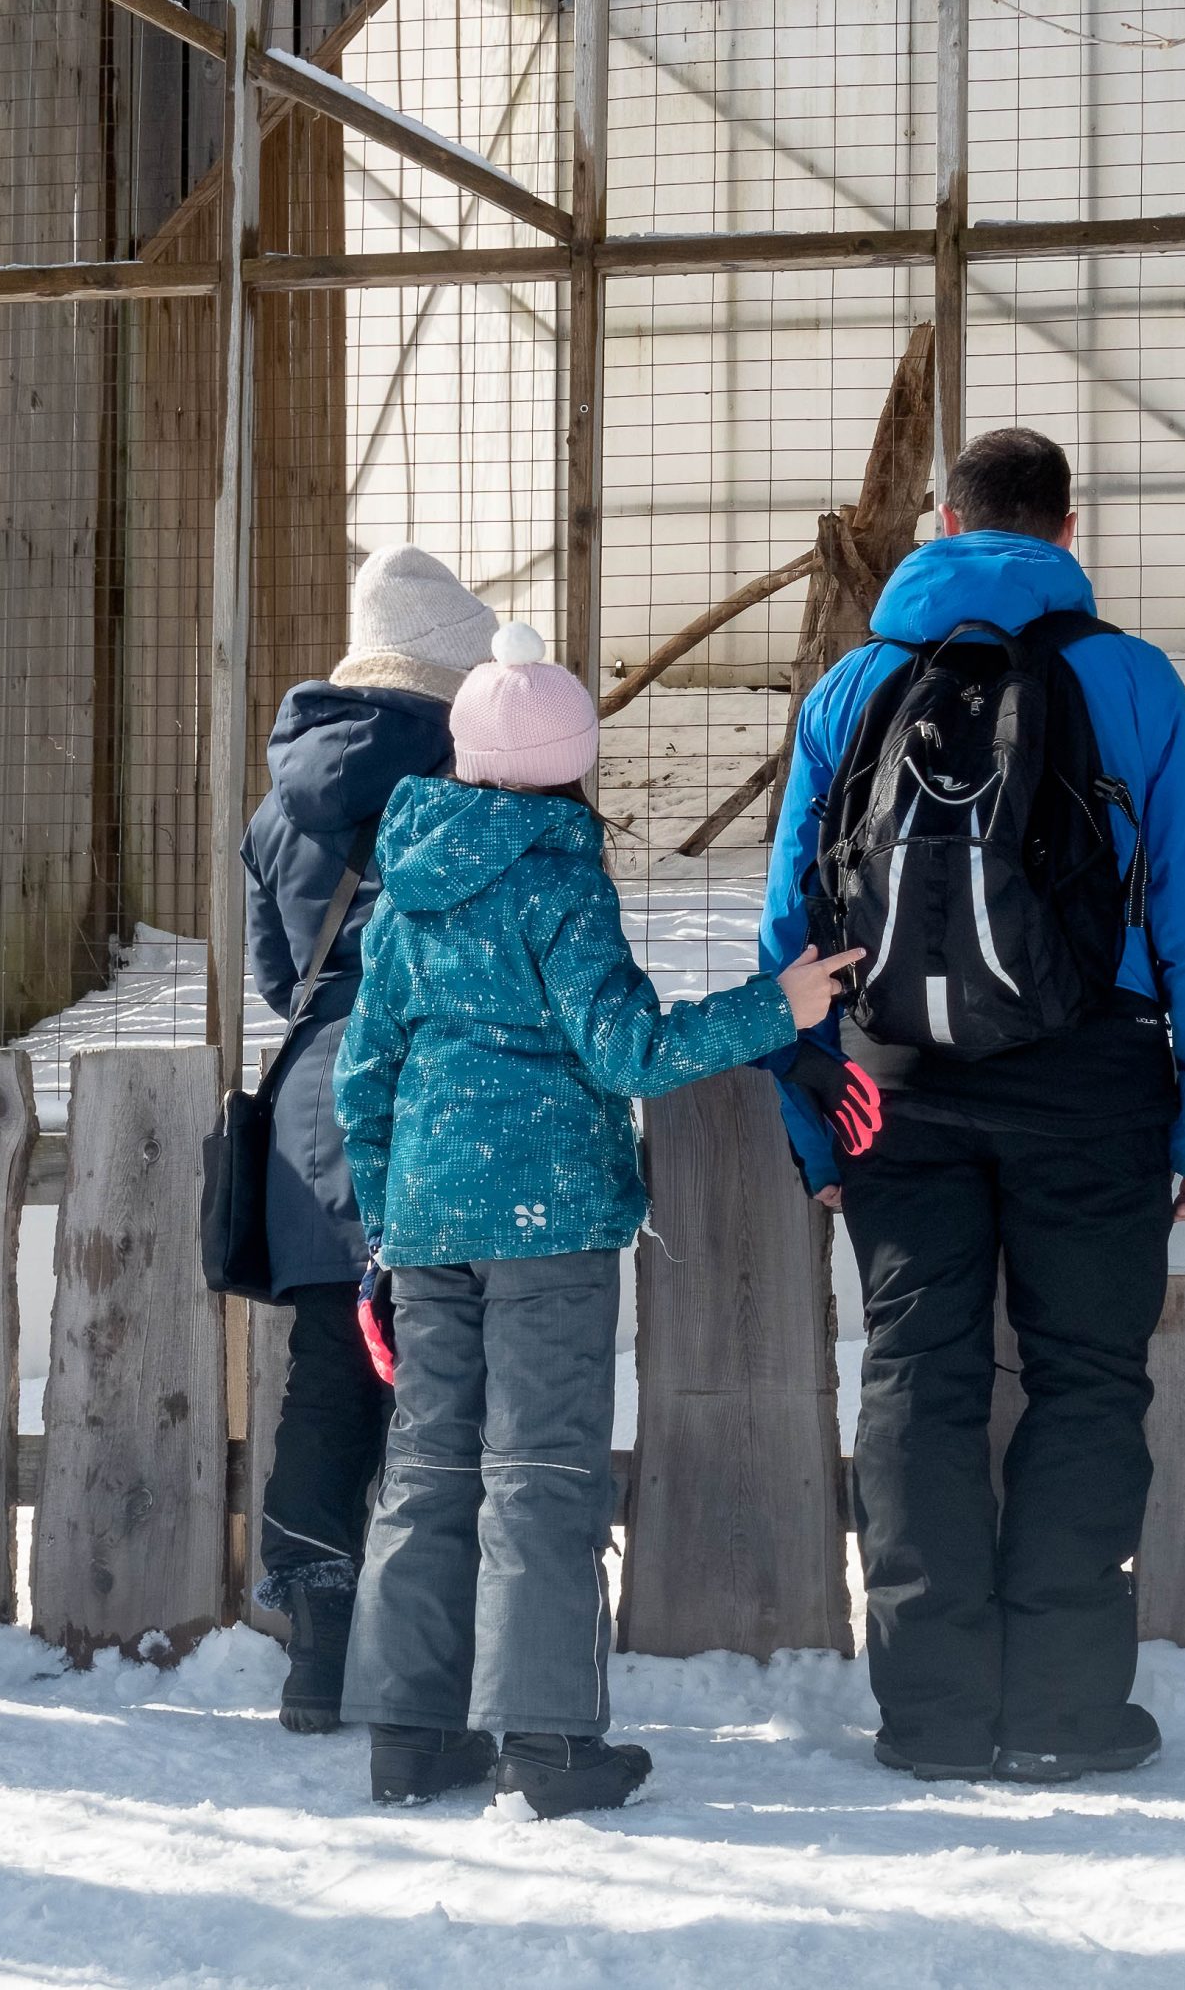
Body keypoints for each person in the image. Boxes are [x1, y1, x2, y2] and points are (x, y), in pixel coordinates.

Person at [762, 426, 1185, 1785]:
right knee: (1087, 1380)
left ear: (938, 520)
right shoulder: (1132, 680)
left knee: (918, 1378)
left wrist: (820, 1125)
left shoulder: (853, 685)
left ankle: (927, 1711)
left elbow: (786, 930)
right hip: (1093, 1082)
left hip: (895, 1090)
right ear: (1067, 530)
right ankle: (1063, 1707)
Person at [334, 621, 867, 1815]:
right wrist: (772, 1006)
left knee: (426, 1472)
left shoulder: (405, 884)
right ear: (573, 762)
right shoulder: (560, 877)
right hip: (548, 1218)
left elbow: (360, 1076)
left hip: (426, 1218)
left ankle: (409, 1734)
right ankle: (549, 1742)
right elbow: (627, 1050)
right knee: (538, 1473)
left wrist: (384, 1222)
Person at [239, 542, 497, 1732]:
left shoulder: (277, 797)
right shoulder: (478, 777)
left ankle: (315, 1651)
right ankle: (433, 1653)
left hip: (312, 1111)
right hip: (440, 1097)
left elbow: (272, 974)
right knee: (441, 1376)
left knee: (328, 1380)